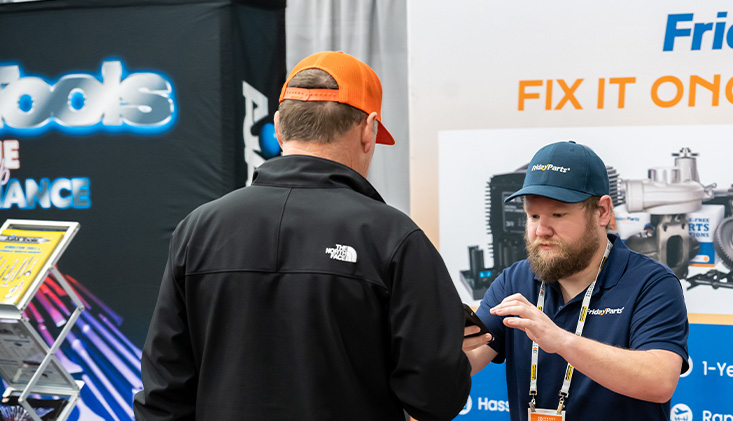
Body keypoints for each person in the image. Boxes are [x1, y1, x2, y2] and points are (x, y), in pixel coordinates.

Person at [134, 51, 471, 421]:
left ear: (278, 127)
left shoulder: (198, 228)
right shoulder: (394, 237)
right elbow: (433, 396)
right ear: (368, 129)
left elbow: (163, 392)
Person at [463, 141, 690, 421]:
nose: (541, 230)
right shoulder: (515, 280)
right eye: (533, 216)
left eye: (558, 215)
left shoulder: (652, 283)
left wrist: (560, 340)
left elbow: (659, 381)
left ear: (602, 212)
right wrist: (444, 350)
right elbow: (469, 359)